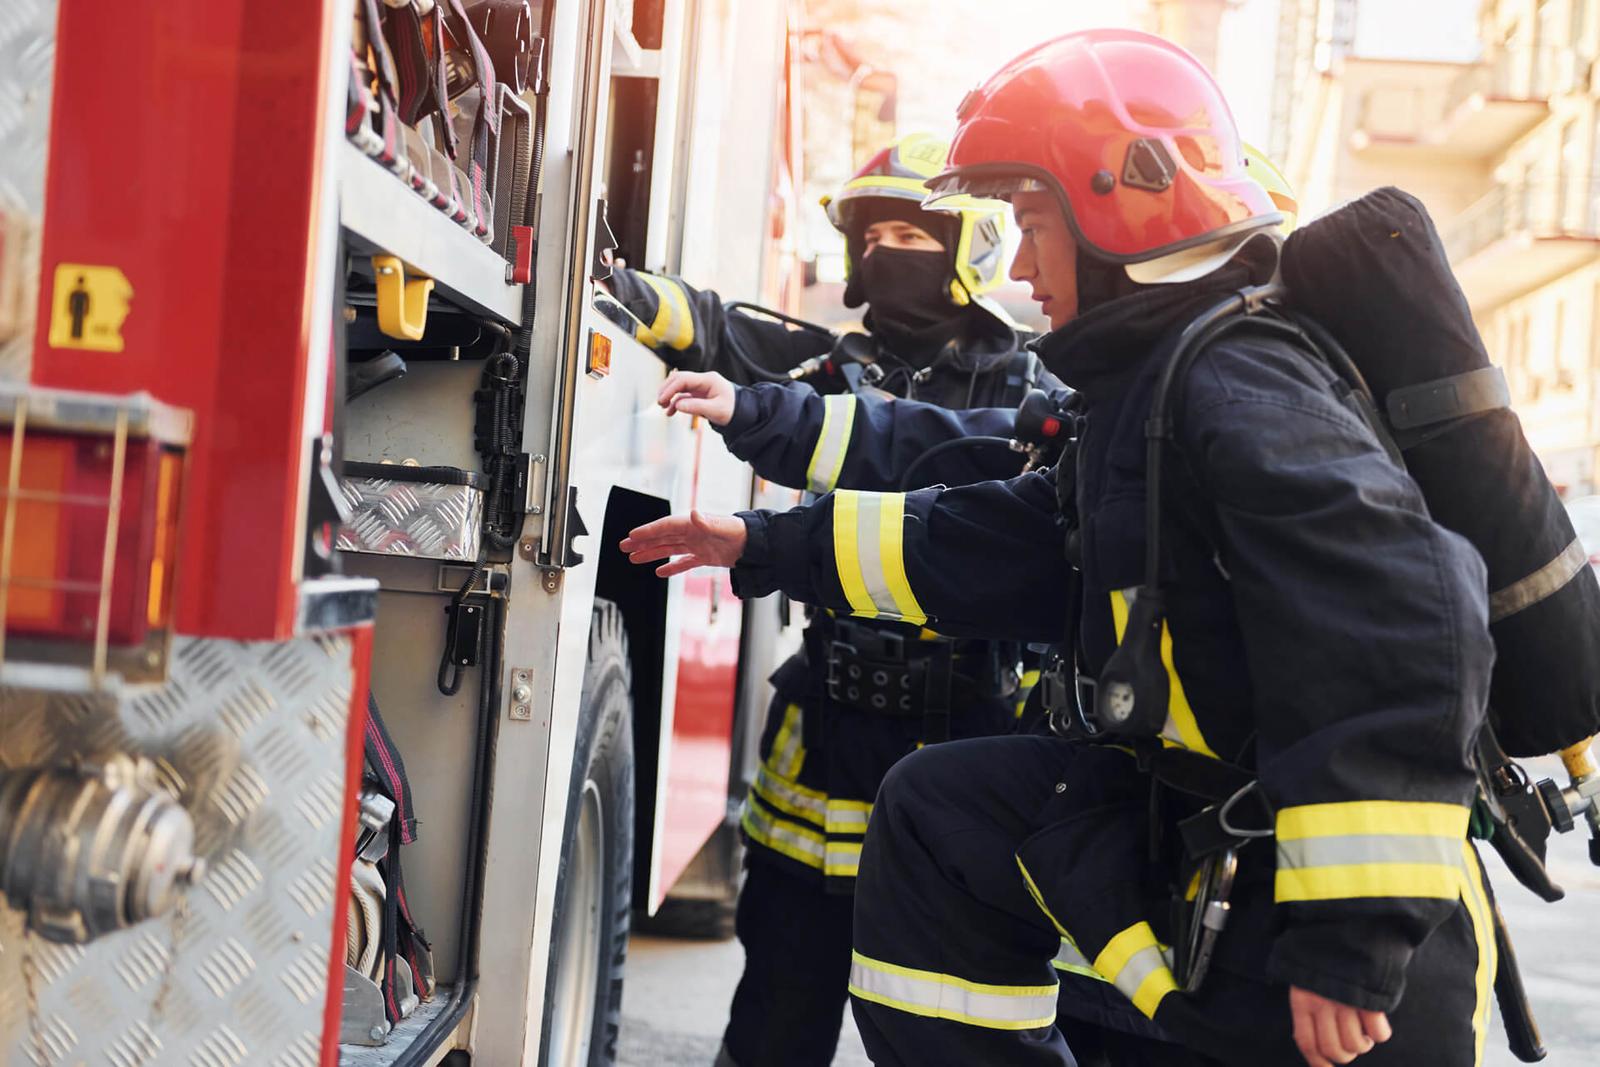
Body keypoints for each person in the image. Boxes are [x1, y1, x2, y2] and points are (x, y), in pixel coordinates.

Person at [621, 29, 1497, 1067]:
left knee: (947, 811)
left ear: (1116, 205)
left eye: (1032, 223)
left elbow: (1410, 617)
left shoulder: (1236, 386)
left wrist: (1353, 940)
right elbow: (1013, 542)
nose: (1020, 263)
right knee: (945, 810)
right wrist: (759, 541)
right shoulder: (1151, 390)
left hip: (1335, 964)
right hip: (1209, 852)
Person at [617, 133, 1099, 1067]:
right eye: (871, 234)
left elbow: (936, 451)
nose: (886, 253)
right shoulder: (827, 365)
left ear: (971, 250)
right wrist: (627, 292)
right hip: (822, 741)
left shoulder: (1038, 390)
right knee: (774, 1019)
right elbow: (710, 327)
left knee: (946, 1023)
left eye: (912, 237)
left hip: (965, 734)